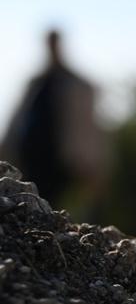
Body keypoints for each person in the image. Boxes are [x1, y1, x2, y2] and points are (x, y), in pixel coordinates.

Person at [1, 29, 107, 209]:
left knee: (52, 204)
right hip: (30, 155)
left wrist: (92, 162)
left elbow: (86, 126)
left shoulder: (75, 84)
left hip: (60, 159)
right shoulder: (36, 83)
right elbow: (18, 119)